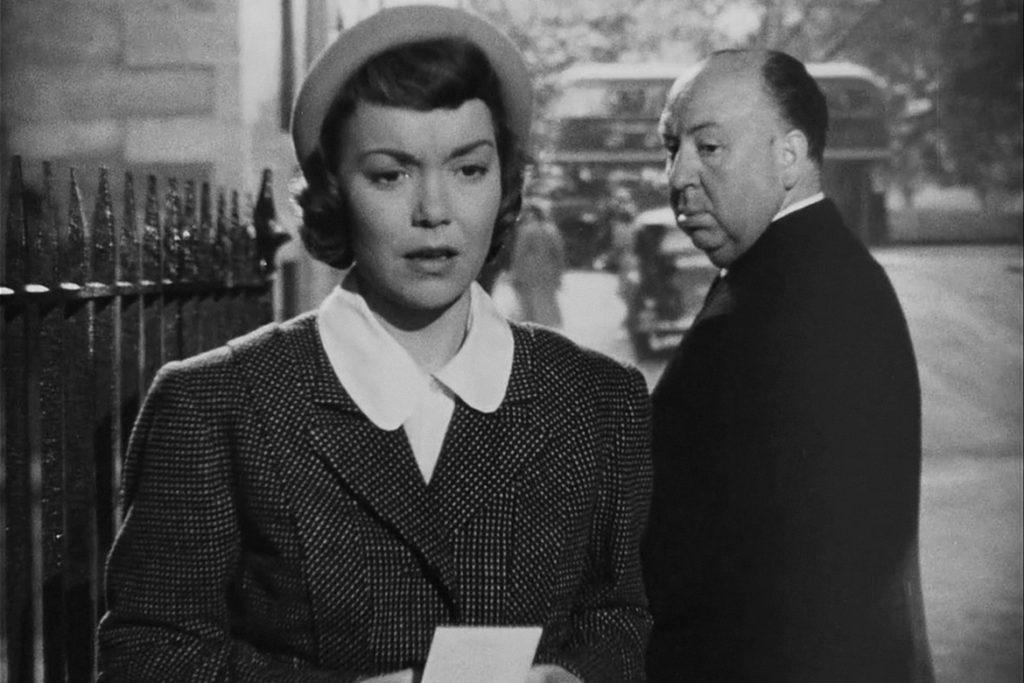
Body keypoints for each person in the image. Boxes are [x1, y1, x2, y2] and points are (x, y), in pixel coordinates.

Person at [97, 6, 652, 682]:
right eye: (391, 174)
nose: (435, 211)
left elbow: (617, 621)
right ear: (334, 192)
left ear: (506, 181)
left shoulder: (598, 399)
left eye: (469, 169)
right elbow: (149, 658)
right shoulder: (215, 405)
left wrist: (574, 678)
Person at [641, 49, 934, 682]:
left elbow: (696, 564)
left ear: (790, 157)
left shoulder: (766, 311)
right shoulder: (826, 271)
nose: (678, 175)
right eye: (671, 148)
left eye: (709, 147)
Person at [508, 201, 566, 328]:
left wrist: (515, 273)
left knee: (528, 307)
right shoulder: (551, 229)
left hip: (528, 273)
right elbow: (559, 254)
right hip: (548, 272)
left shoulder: (526, 230)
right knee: (547, 304)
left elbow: (519, 254)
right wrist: (558, 274)